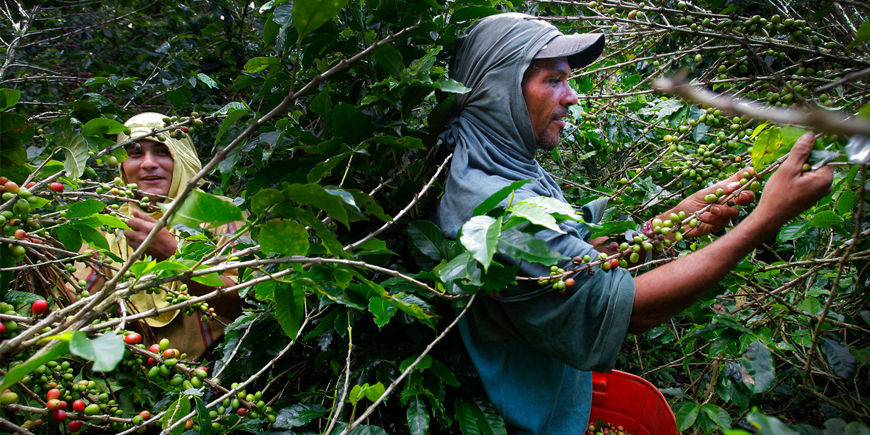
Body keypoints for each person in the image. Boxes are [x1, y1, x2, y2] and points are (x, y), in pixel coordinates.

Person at [435, 13, 833, 435]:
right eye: (553, 80)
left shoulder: (505, 166)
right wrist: (765, 221)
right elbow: (628, 310)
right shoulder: (498, 205)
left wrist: (671, 224)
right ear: (498, 91)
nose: (571, 97)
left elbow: (575, 265)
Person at [75, 112, 244, 361]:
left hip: (215, 376)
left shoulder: (221, 215)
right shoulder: (107, 227)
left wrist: (173, 257)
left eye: (162, 151)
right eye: (134, 153)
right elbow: (74, 308)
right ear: (122, 164)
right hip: (129, 379)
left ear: (182, 157)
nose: (148, 164)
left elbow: (246, 304)